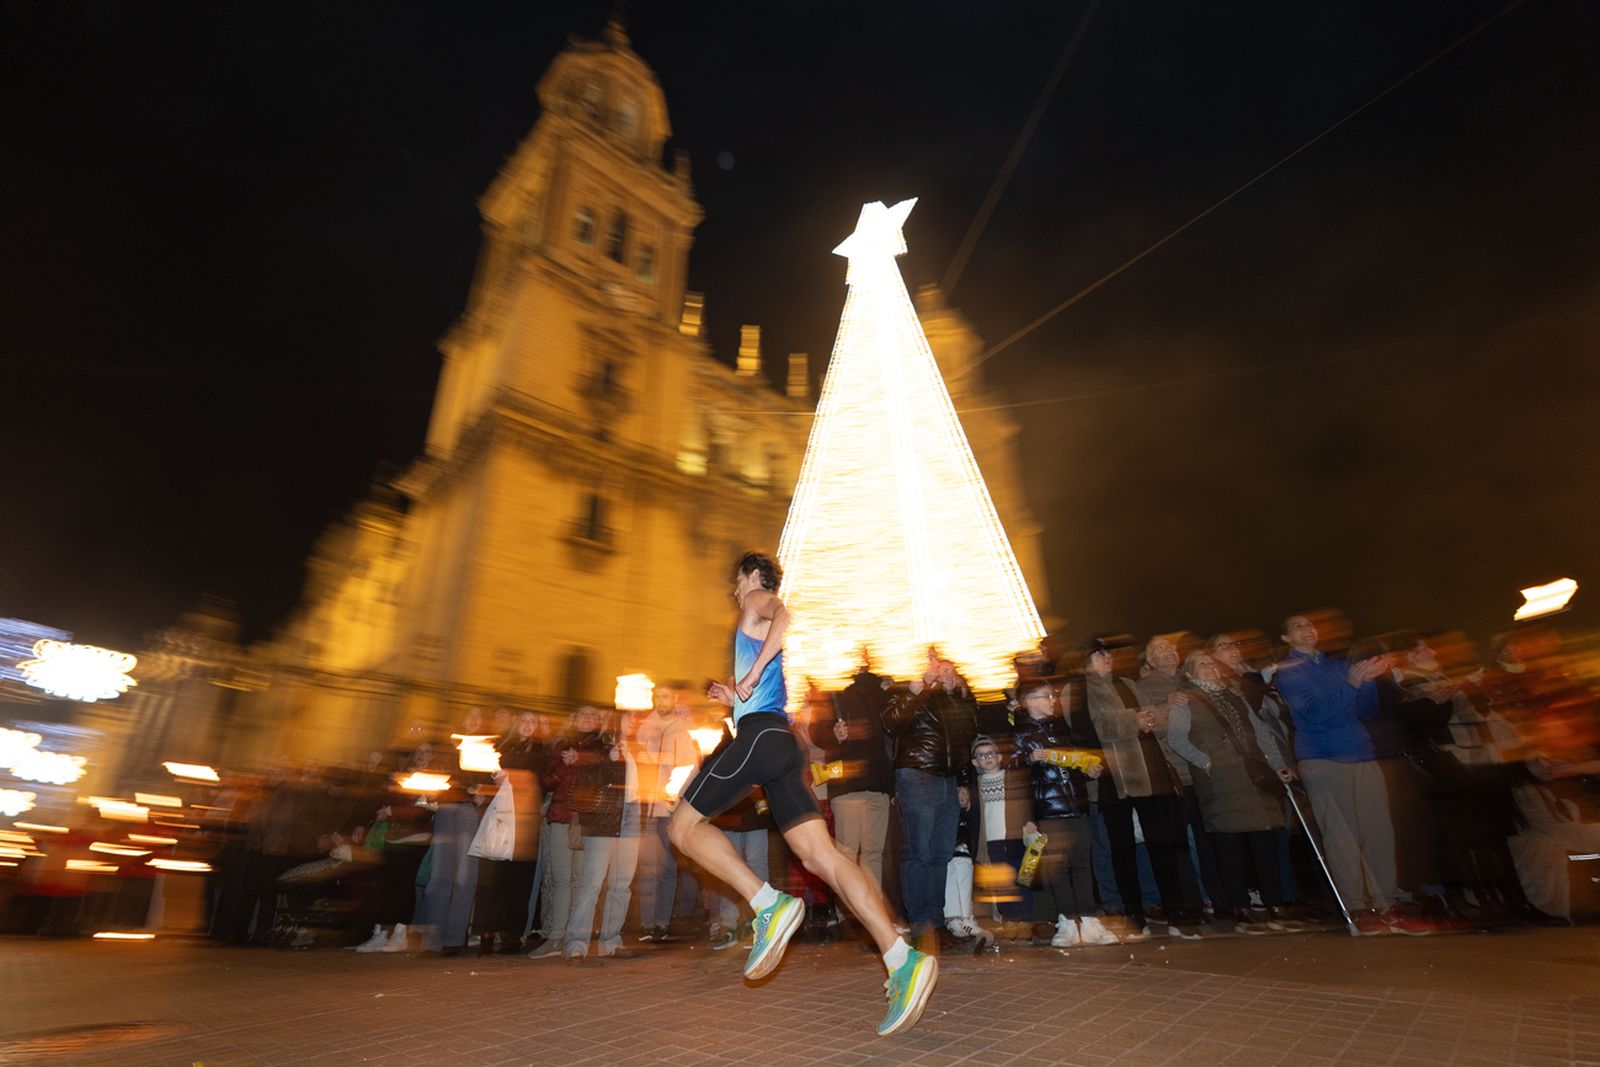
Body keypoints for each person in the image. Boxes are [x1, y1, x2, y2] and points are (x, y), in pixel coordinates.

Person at [668, 551, 938, 1037]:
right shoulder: (751, 616)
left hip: (763, 740)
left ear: (753, 576)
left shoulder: (754, 598)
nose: (735, 590)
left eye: (737, 579)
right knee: (824, 857)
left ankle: (766, 903)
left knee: (682, 828)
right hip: (782, 744)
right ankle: (902, 959)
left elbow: (785, 614)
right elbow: (766, 685)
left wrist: (747, 679)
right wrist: (738, 696)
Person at [1274, 614, 1438, 935]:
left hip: (1362, 754)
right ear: (1285, 639)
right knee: (1342, 837)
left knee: (1379, 831)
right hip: (1323, 759)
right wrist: (1352, 684)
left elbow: (1366, 711)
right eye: (1297, 627)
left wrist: (1369, 681)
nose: (1307, 629)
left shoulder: (1337, 666)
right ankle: (1358, 907)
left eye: (1310, 624)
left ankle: (1389, 903)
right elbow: (1315, 712)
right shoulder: (1289, 672)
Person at [1082, 635, 1198, 939]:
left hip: (1151, 774)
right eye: (1098, 654)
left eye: (1107, 653)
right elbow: (1098, 725)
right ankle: (1135, 917)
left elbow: (1154, 717)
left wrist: (1153, 717)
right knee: (1122, 851)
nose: (1106, 658)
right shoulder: (1085, 689)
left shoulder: (1127, 683)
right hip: (1115, 780)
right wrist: (1136, 719)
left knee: (1162, 845)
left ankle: (1176, 913)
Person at [1166, 651, 1289, 933]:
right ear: (1190, 672)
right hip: (1220, 780)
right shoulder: (1185, 700)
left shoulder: (1236, 697)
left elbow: (1260, 732)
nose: (1209, 667)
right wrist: (1205, 761)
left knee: (1264, 840)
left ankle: (1275, 904)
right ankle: (1240, 905)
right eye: (1201, 664)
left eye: (1211, 663)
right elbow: (1176, 738)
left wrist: (1278, 764)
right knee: (1229, 844)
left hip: (1253, 775)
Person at [1011, 678, 1119, 946]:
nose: (1052, 701)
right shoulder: (1021, 732)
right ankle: (1068, 922)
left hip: (1075, 804)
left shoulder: (1060, 726)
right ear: (1030, 701)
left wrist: (1089, 769)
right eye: (1046, 696)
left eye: (1053, 696)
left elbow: (1074, 758)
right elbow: (1012, 769)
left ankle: (1090, 921)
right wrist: (1026, 759)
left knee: (1083, 862)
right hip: (1047, 810)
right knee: (1058, 868)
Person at [883, 653, 979, 952]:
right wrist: (916, 689)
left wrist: (963, 781)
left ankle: (936, 924)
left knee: (941, 855)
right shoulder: (907, 687)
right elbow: (891, 722)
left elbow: (967, 737)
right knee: (919, 853)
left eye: (950, 670)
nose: (943, 673)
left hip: (948, 781)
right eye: (939, 668)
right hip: (917, 775)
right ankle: (920, 926)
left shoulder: (954, 699)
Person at [561, 706, 642, 962]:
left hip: (632, 814)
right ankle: (576, 943)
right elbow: (586, 779)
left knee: (621, 884)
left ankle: (611, 941)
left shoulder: (640, 747)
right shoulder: (599, 745)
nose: (634, 721)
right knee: (592, 884)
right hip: (604, 817)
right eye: (629, 717)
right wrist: (609, 760)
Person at [633, 684, 700, 944]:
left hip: (668, 807)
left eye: (666, 696)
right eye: (657, 696)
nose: (661, 700)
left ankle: (661, 921)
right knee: (648, 867)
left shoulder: (682, 732)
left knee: (668, 867)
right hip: (643, 806)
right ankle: (646, 923)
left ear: (673, 699)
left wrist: (673, 791)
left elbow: (690, 769)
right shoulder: (643, 728)